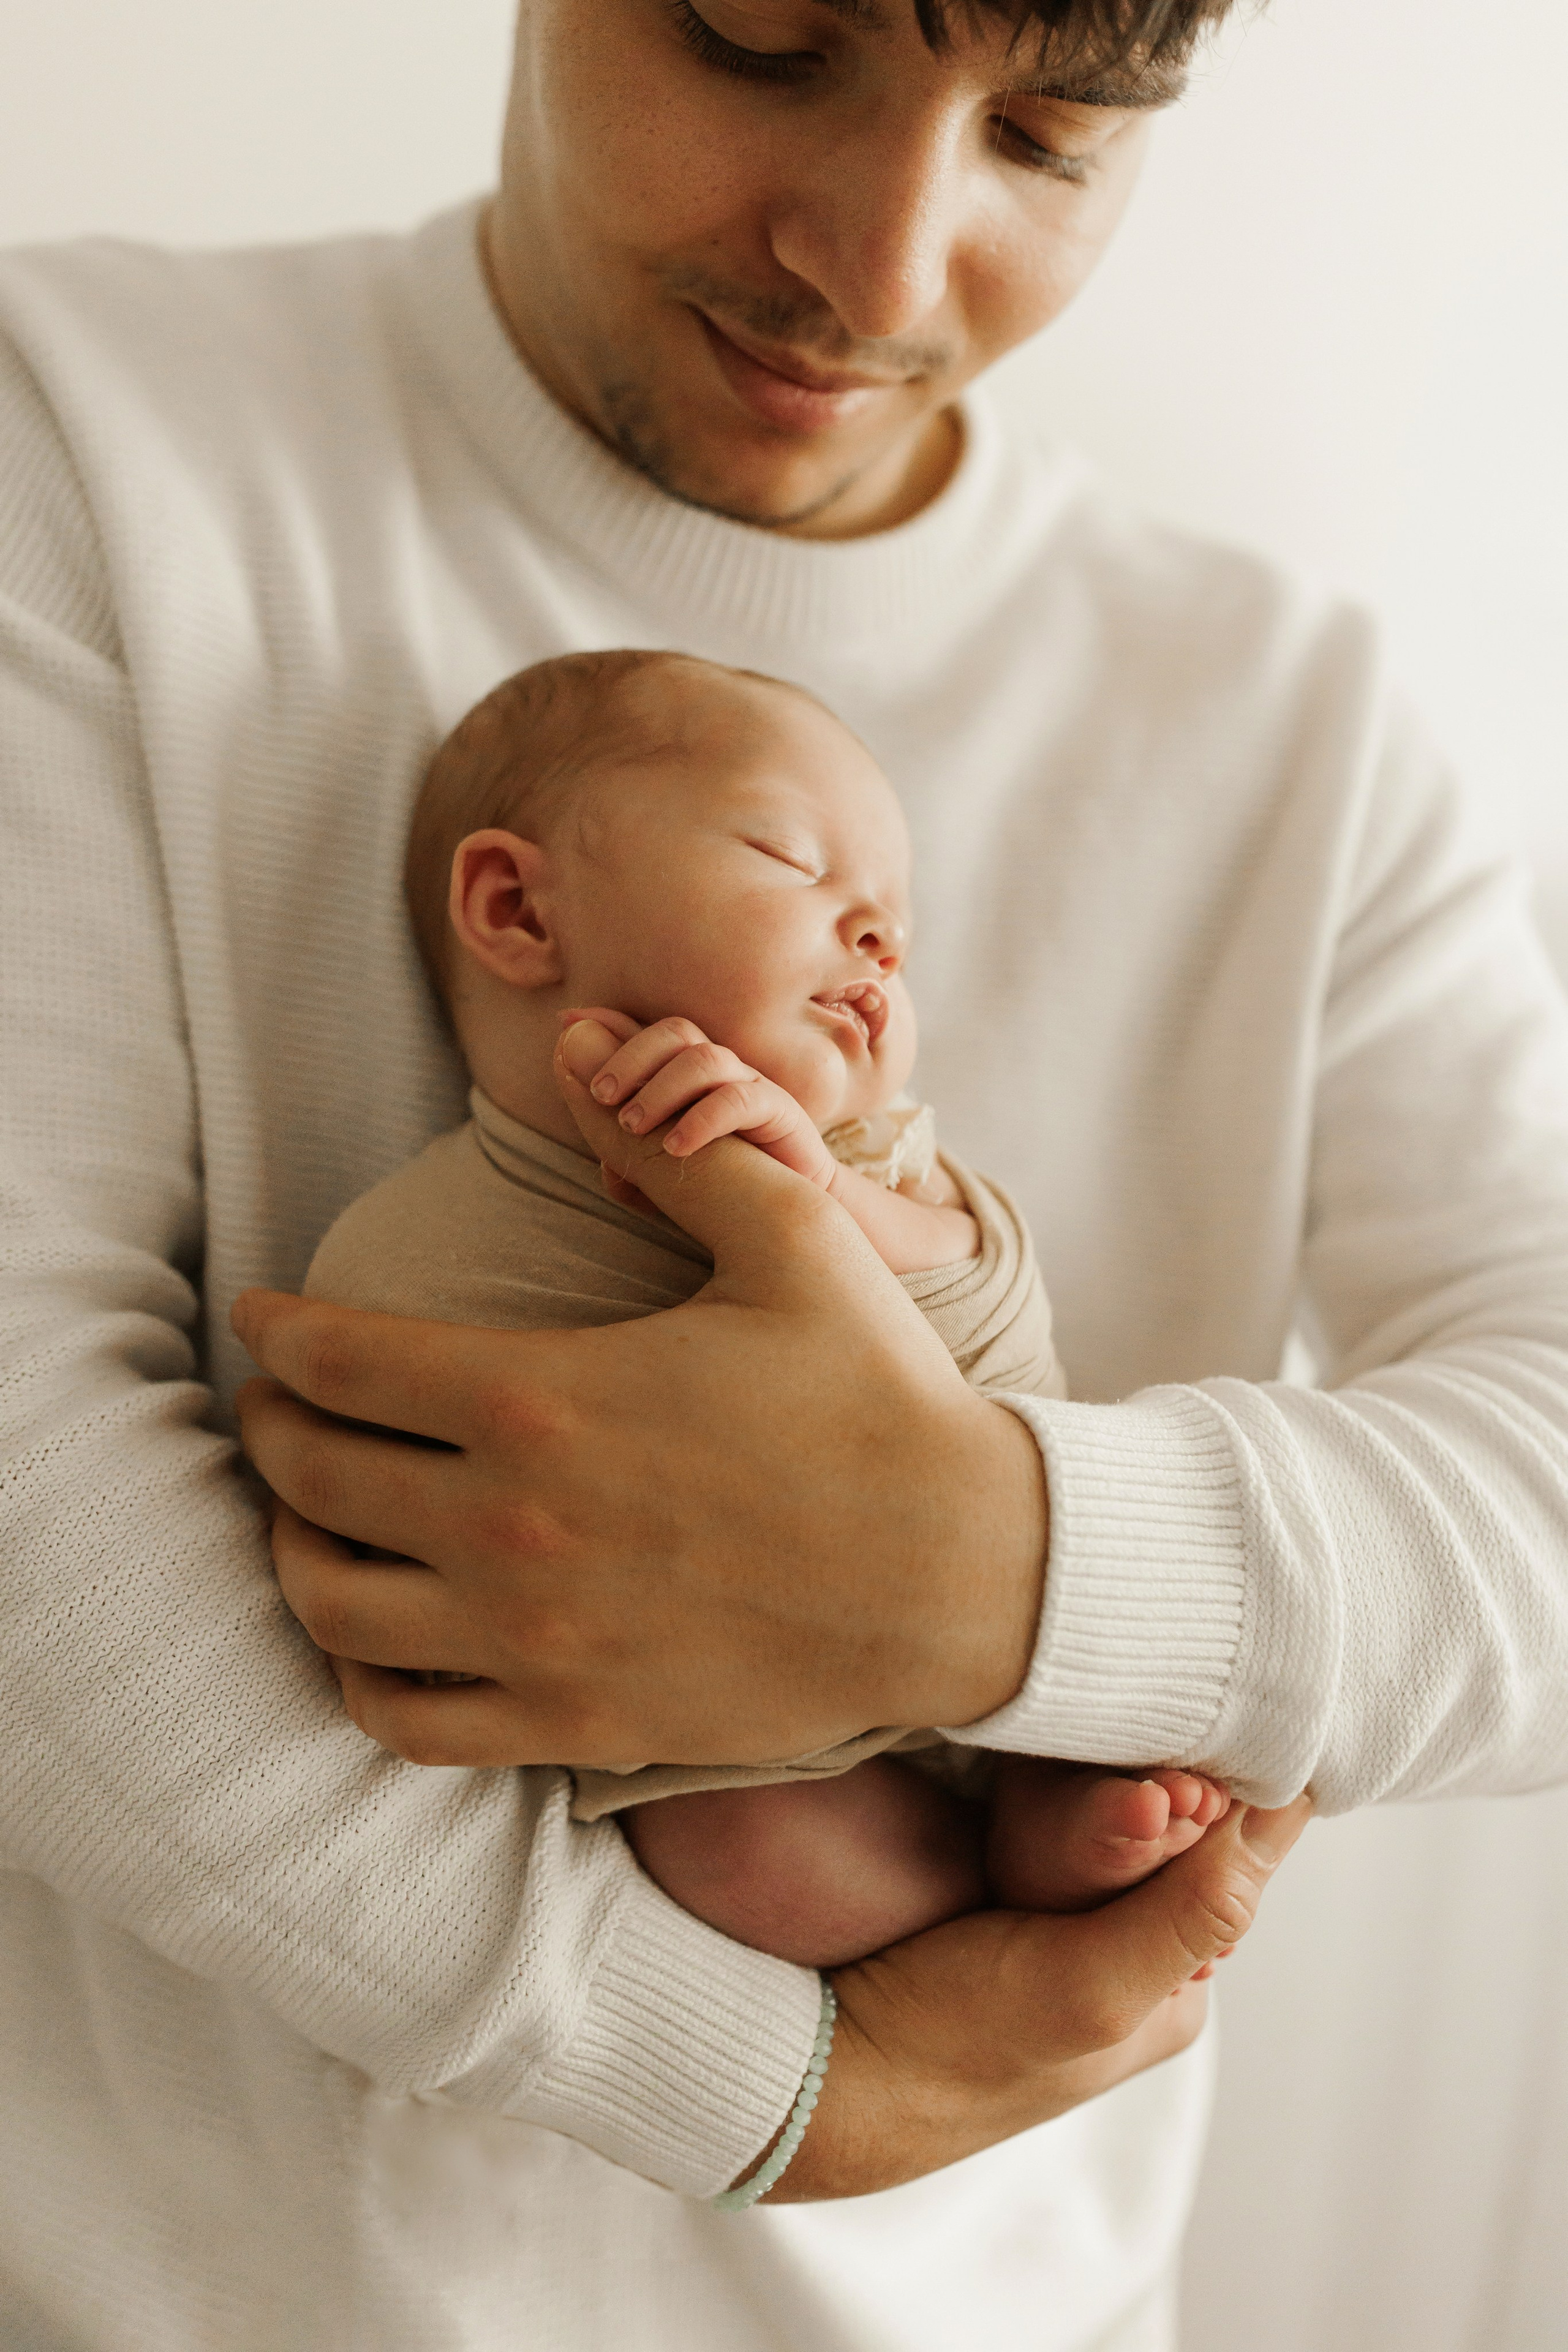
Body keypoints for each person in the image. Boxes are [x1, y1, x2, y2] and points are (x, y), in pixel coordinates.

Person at [1, 0, 1565, 2343]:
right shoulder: (85, 437)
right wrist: (738, 2071)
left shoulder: (1295, 717)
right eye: (758, 41)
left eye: (1054, 132)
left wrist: (980, 1565)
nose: (882, 261)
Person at [303, 641, 1234, 1964]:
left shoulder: (877, 1166)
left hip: (988, 1624)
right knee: (755, 1860)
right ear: (517, 908)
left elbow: (1003, 1335)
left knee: (1129, 1693)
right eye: (794, 863)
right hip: (726, 1748)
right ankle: (994, 1912)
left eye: (896, 920)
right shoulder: (410, 1251)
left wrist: (822, 1208)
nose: (880, 934)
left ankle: (1038, 1828)